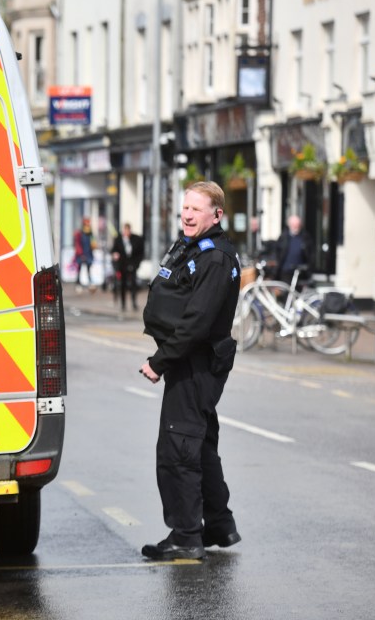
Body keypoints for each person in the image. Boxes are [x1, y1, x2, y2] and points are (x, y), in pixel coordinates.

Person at [138, 181, 242, 561]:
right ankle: (218, 525)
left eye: (196, 209)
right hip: (192, 361)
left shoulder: (215, 258)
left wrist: (159, 361)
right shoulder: (196, 248)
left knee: (178, 448)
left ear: (216, 215)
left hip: (194, 363)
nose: (186, 214)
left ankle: (185, 535)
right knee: (200, 445)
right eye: (185, 207)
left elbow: (197, 321)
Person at [111, 222, 145, 311]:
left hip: (132, 265)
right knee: (122, 284)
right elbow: (114, 250)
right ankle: (123, 304)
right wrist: (115, 255)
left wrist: (136, 264)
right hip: (122, 265)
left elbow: (140, 252)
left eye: (128, 230)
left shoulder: (136, 239)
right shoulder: (118, 239)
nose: (126, 232)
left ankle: (134, 302)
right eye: (125, 230)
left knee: (133, 284)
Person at [273, 214, 313, 285]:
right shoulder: (283, 237)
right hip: (286, 270)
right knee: (286, 292)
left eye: (297, 225)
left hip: (300, 271)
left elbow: (310, 253)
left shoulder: (305, 237)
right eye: (293, 225)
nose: (296, 227)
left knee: (298, 293)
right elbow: (277, 251)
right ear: (289, 225)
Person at [72, 217, 97, 293]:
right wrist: (81, 253)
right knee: (79, 270)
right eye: (87, 223)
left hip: (88, 254)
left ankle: (90, 285)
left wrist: (94, 246)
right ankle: (78, 285)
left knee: (88, 270)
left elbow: (93, 243)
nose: (88, 225)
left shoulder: (91, 233)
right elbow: (77, 244)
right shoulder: (79, 233)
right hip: (81, 255)